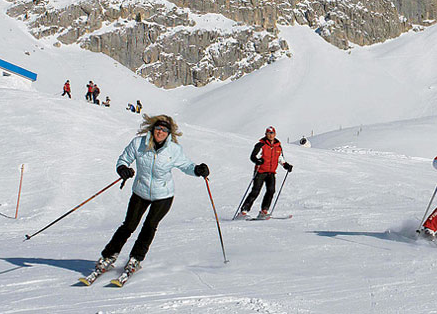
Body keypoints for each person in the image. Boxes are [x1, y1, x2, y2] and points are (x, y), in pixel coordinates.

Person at [90, 114, 209, 278]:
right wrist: (123, 169)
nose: (160, 132)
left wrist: (197, 170)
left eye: (164, 130)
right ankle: (108, 257)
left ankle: (135, 259)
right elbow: (123, 159)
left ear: (169, 134)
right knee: (129, 226)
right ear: (153, 129)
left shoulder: (174, 150)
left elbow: (186, 165)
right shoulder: (139, 143)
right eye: (158, 128)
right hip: (141, 191)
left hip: (164, 195)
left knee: (149, 226)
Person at [237, 126, 293, 219]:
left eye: (272, 133)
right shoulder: (261, 145)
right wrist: (257, 161)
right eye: (269, 133)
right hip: (261, 171)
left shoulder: (278, 146)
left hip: (271, 172)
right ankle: (243, 211)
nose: (270, 135)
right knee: (255, 191)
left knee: (271, 191)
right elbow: (253, 156)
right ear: (266, 134)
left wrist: (286, 165)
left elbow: (280, 158)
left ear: (275, 134)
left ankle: (264, 211)